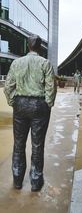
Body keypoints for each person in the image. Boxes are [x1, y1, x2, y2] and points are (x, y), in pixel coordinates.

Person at [4, 35, 56, 192]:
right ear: (39, 47)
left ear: (28, 46)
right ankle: (35, 181)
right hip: (39, 106)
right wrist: (48, 104)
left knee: (18, 144)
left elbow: (8, 87)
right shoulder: (45, 63)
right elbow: (50, 88)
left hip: (20, 105)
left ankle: (18, 179)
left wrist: (14, 102)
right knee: (37, 145)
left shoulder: (16, 63)